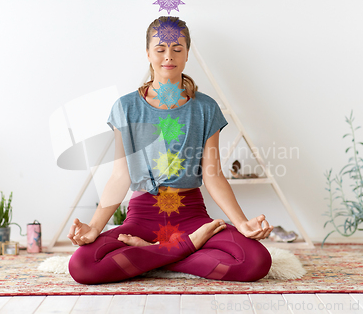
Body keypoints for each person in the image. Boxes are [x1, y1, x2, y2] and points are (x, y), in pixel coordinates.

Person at [67, 17, 274, 284]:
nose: (169, 56)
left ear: (187, 53)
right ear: (148, 53)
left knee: (256, 261)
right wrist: (94, 227)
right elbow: (120, 177)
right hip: (142, 216)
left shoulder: (205, 108)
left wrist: (243, 223)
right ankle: (187, 247)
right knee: (82, 266)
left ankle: (151, 254)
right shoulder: (125, 107)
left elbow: (213, 175)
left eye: (177, 48)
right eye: (160, 48)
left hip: (191, 214)